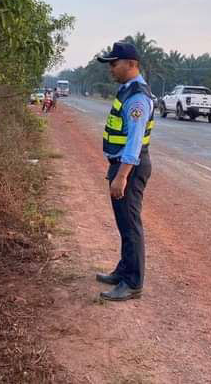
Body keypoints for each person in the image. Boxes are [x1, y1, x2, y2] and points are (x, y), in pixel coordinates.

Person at [94, 42, 155, 301]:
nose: (111, 68)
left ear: (131, 64)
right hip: (121, 166)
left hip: (129, 168)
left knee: (131, 226)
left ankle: (133, 283)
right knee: (123, 224)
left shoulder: (137, 97)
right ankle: (124, 270)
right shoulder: (126, 91)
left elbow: (134, 141)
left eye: (114, 63)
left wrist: (121, 176)